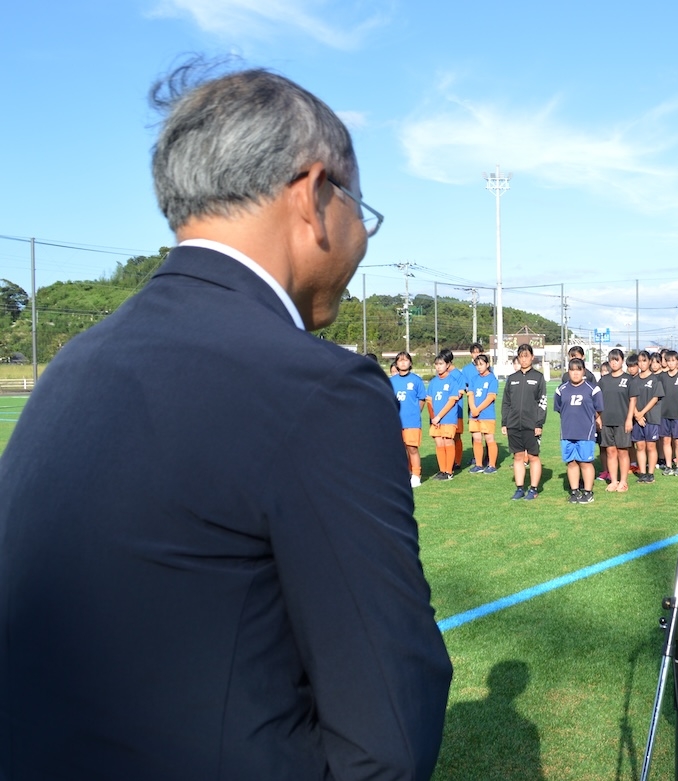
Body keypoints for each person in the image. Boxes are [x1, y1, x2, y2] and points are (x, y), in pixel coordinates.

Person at [0, 63, 451, 779]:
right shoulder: (316, 386)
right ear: (312, 194)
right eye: (357, 205)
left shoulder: (74, 364)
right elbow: (388, 731)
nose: (362, 234)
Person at [555, 358, 604, 503]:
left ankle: (588, 492)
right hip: (567, 432)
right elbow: (559, 408)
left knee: (585, 462)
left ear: (583, 371)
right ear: (568, 371)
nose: (575, 373)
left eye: (578, 369)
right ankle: (574, 491)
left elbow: (598, 409)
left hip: (585, 432)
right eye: (572, 370)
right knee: (571, 462)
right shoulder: (561, 389)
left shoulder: (593, 389)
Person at [502, 343, 547, 500]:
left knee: (533, 456)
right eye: (521, 356)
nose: (524, 359)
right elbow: (506, 402)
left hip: (531, 425)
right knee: (518, 457)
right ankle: (520, 488)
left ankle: (533, 489)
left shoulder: (538, 377)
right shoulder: (512, 379)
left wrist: (538, 423)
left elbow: (542, 402)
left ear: (532, 357)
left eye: (526, 356)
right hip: (514, 424)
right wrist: (504, 422)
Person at [389, 351, 429, 487]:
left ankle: (416, 475)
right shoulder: (391, 381)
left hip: (411, 421)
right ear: (396, 364)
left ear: (410, 363)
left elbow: (422, 399)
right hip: (396, 422)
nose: (403, 363)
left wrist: (415, 412)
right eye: (400, 361)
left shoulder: (416, 380)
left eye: (405, 360)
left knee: (412, 448)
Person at [597, 348, 634, 492]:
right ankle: (613, 481)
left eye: (616, 359)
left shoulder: (628, 379)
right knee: (610, 451)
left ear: (622, 361)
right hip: (607, 421)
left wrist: (629, 418)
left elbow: (633, 400)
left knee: (623, 451)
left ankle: (623, 481)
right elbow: (597, 401)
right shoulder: (604, 380)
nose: (614, 362)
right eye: (611, 359)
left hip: (622, 421)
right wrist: (598, 417)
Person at [427, 348, 464, 481]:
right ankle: (442, 470)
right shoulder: (433, 382)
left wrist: (439, 416)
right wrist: (433, 417)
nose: (438, 367)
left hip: (448, 418)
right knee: (439, 443)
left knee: (448, 442)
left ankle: (449, 471)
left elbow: (451, 402)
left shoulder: (452, 381)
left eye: (441, 364)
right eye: (436, 364)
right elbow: (429, 401)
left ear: (447, 365)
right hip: (436, 420)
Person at [628, 350, 664, 484]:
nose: (642, 364)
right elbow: (631, 398)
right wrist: (636, 414)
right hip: (637, 418)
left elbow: (655, 398)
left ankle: (650, 473)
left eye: (644, 361)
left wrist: (642, 413)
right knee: (640, 446)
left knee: (651, 447)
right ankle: (642, 473)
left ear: (649, 361)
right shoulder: (634, 380)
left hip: (651, 418)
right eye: (639, 361)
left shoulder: (655, 379)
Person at [467, 353, 500, 474]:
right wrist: (473, 409)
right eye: (477, 365)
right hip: (474, 415)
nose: (479, 367)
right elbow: (470, 395)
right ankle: (479, 464)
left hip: (487, 414)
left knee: (489, 438)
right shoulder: (474, 379)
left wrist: (478, 409)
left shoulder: (492, 379)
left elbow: (490, 397)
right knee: (476, 438)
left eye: (481, 364)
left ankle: (492, 465)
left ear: (487, 364)